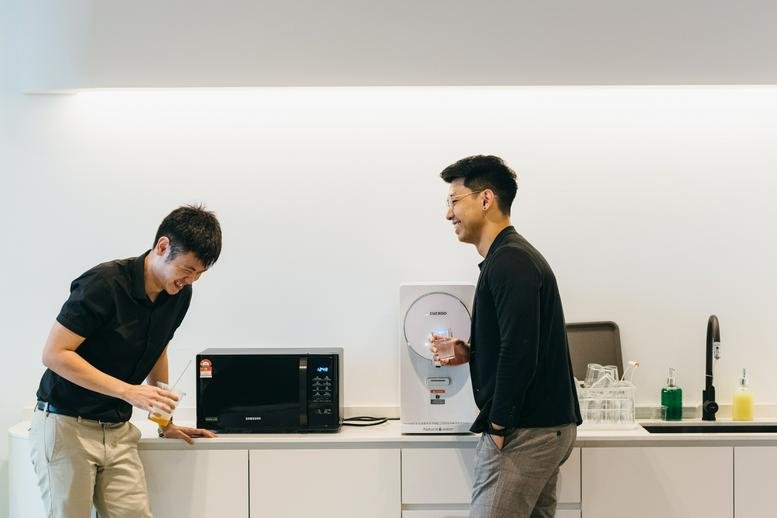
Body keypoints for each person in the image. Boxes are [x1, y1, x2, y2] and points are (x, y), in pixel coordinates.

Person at [30, 204, 222, 518]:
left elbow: (159, 348)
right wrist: (128, 391)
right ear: (163, 247)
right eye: (188, 269)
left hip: (118, 430)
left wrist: (164, 421)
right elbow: (54, 354)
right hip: (66, 427)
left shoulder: (178, 295)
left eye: (199, 274)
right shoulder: (103, 283)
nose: (191, 280)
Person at [432, 156, 582, 518]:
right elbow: (518, 340)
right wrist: (472, 351)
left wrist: (498, 427)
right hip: (542, 428)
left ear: (485, 200)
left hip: (523, 432)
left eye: (453, 201)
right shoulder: (510, 257)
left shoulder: (510, 261)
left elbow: (520, 351)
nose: (448, 214)